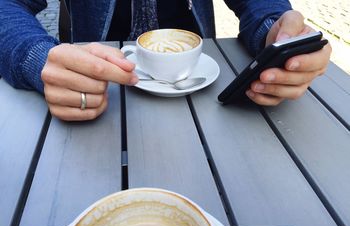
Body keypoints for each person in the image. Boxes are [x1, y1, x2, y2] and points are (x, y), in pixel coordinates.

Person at [0, 0, 331, 121]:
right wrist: (35, 56)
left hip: (203, 101)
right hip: (95, 93)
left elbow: (260, 5)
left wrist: (275, 33)